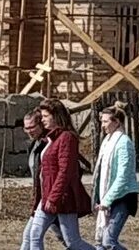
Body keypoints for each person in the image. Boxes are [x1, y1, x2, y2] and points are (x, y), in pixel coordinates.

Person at [30, 98, 96, 250]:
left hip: (63, 198)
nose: (43, 120)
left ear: (56, 116)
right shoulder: (52, 138)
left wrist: (54, 198)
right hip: (47, 197)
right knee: (35, 234)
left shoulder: (67, 137)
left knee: (73, 242)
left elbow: (65, 171)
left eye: (46, 116)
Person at [91, 101, 139, 250]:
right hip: (107, 196)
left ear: (116, 121)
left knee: (108, 241)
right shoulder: (107, 141)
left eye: (106, 121)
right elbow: (101, 172)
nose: (103, 125)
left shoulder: (124, 142)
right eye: (102, 121)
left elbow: (123, 176)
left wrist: (108, 199)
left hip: (123, 197)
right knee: (100, 243)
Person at [22, 109, 67, 250]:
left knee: (70, 240)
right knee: (31, 237)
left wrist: (53, 197)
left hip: (53, 198)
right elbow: (38, 180)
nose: (29, 131)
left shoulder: (49, 144)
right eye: (26, 128)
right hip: (42, 200)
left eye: (32, 127)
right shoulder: (34, 145)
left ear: (41, 124)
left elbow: (62, 172)